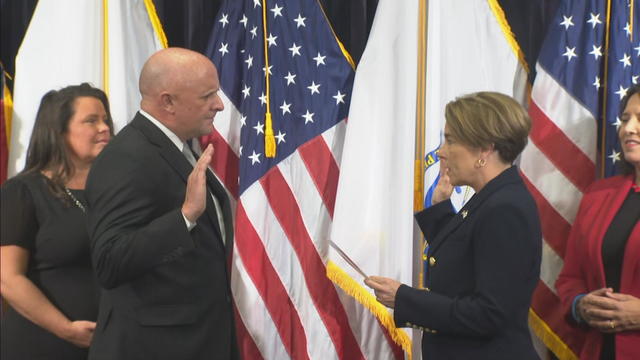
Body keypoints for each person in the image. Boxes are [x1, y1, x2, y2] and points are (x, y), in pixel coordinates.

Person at [85, 47, 238, 360]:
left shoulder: (174, 148)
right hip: (155, 348)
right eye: (207, 96)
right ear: (167, 101)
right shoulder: (127, 157)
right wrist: (185, 217)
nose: (220, 105)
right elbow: (110, 262)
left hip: (198, 341)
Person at [365, 92, 541, 359]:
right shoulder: (493, 199)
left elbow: (489, 314)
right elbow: (464, 267)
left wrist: (404, 298)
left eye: (450, 140)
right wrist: (439, 211)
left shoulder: (505, 208)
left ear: (484, 149)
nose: (441, 152)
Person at [1, 83, 113, 359]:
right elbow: (8, 278)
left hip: (110, 345)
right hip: (41, 344)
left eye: (105, 119)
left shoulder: (114, 191)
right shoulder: (24, 191)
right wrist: (66, 329)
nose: (105, 128)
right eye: (91, 121)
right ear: (59, 131)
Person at [556, 85, 640, 360]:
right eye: (626, 118)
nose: (629, 128)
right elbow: (570, 278)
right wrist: (581, 306)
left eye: (639, 119)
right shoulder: (597, 195)